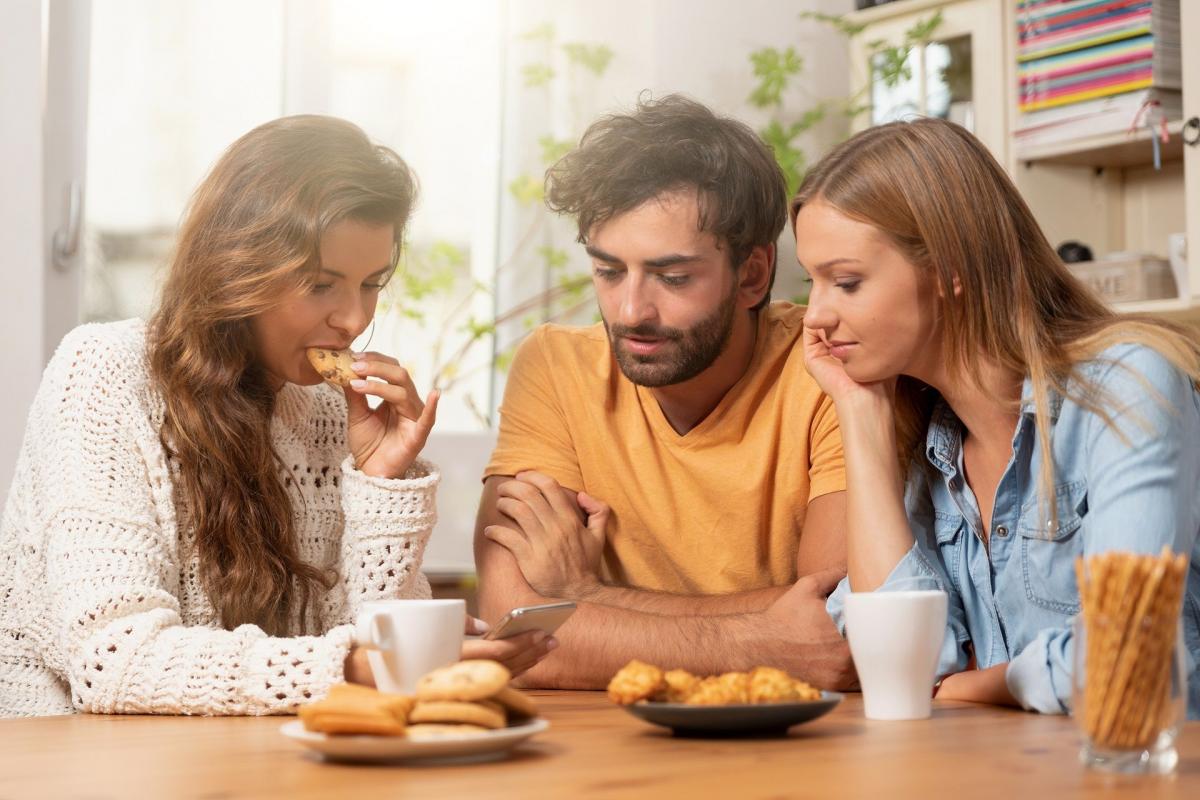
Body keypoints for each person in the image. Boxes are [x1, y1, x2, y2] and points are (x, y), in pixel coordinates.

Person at [0, 116, 550, 717]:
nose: (353, 320)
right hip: (75, 752)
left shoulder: (330, 412)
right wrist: (359, 666)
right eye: (320, 285)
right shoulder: (104, 371)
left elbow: (364, 650)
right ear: (238, 267)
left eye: (371, 284)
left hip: (255, 753)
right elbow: (113, 660)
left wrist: (382, 480)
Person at [794, 117, 1200, 717]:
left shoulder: (1127, 387)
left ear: (950, 271)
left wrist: (988, 683)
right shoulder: (922, 439)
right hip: (984, 763)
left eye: (846, 282)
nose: (815, 317)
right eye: (812, 282)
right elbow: (900, 668)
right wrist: (859, 411)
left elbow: (1126, 659)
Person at [475, 95, 853, 689]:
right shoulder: (554, 366)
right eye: (608, 271)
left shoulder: (828, 366)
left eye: (672, 278)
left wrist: (586, 595)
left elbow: (836, 624)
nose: (630, 311)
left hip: (796, 734)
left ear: (753, 274)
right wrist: (764, 638)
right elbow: (520, 637)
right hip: (604, 737)